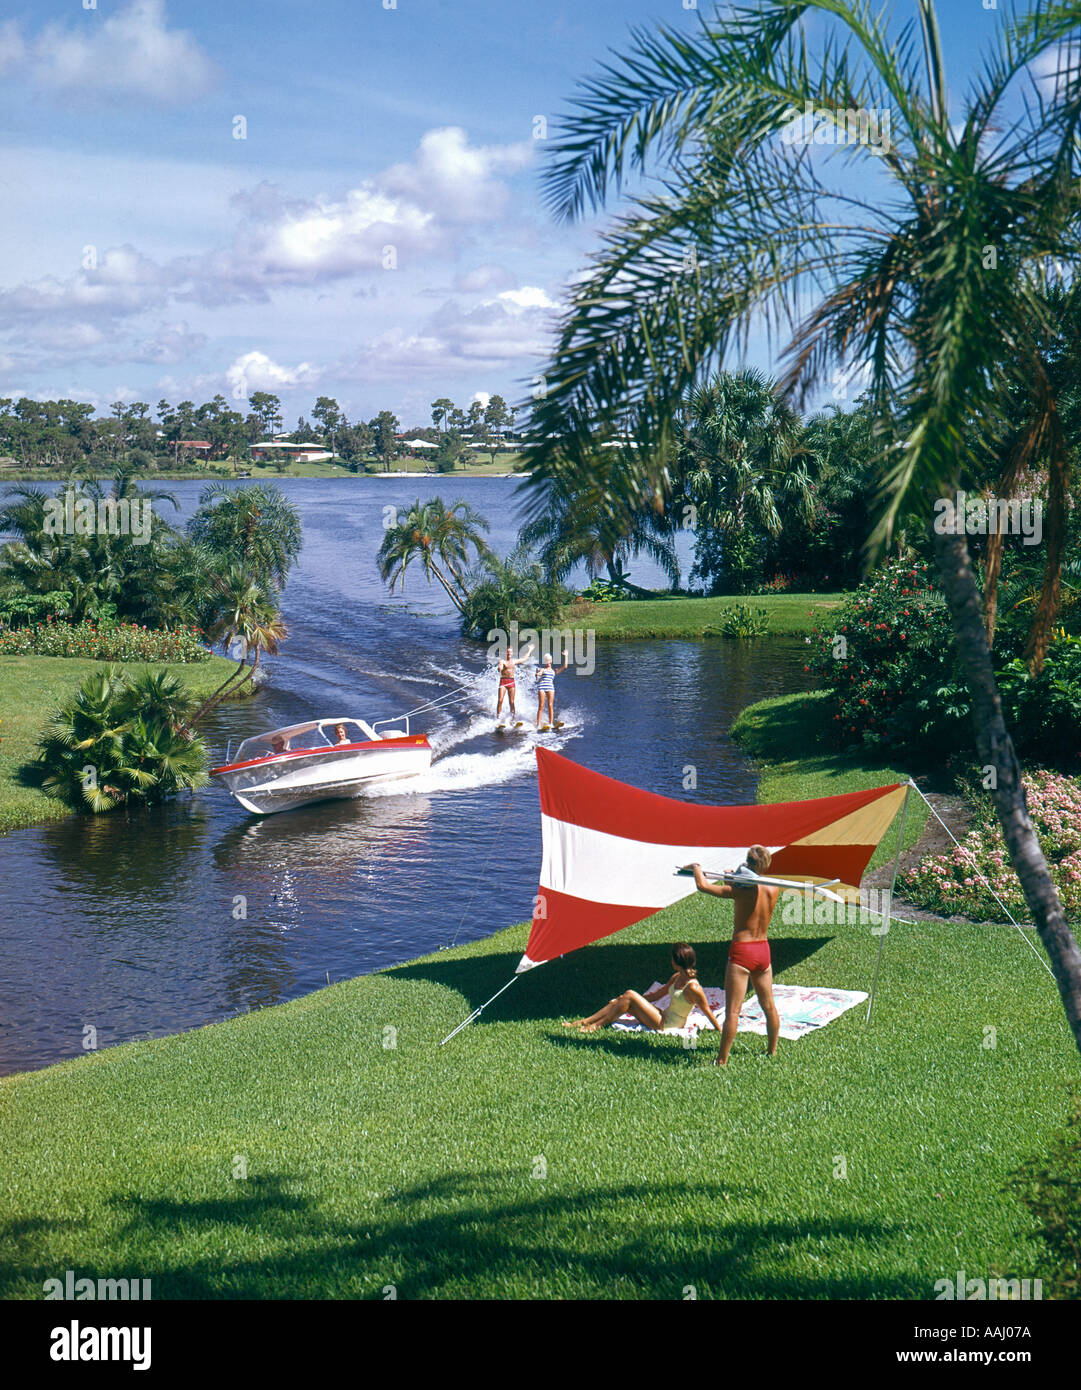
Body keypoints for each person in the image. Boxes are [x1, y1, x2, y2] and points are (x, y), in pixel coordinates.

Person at [685, 845, 781, 1065]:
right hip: (763, 950)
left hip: (742, 951)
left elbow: (703, 886)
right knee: (769, 1006)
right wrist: (732, 878)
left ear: (749, 862)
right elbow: (748, 894)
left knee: (733, 1012)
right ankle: (772, 1051)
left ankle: (722, 1060)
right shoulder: (774, 889)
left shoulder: (742, 891)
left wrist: (696, 867)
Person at [561, 943, 723, 1035]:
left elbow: (707, 1011)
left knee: (630, 994)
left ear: (677, 960)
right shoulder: (676, 977)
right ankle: (583, 1022)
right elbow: (655, 996)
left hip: (668, 1024)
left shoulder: (694, 987)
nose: (670, 961)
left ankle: (596, 1026)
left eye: (671, 958)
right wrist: (623, 1000)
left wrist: (720, 1031)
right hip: (663, 1015)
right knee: (625, 998)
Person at [496, 641, 533, 720]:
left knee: (512, 702)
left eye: (510, 652)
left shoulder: (514, 661)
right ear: (505, 653)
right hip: (503, 681)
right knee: (500, 700)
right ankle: (498, 717)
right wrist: (500, 668)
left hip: (511, 682)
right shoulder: (502, 661)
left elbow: (524, 659)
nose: (509, 653)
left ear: (512, 653)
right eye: (507, 652)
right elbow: (500, 667)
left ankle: (513, 718)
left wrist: (529, 650)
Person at [533, 649, 568, 728]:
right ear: (545, 661)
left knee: (550, 705)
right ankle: (538, 724)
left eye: (549, 660)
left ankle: (551, 723)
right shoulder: (543, 669)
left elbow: (565, 666)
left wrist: (566, 656)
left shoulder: (554, 671)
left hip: (550, 688)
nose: (548, 662)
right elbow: (539, 673)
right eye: (546, 660)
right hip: (542, 687)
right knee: (541, 706)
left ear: (551, 661)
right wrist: (537, 674)